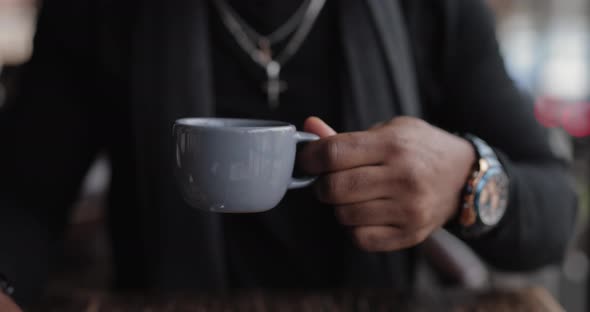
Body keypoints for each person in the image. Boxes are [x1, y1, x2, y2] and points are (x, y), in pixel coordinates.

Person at [0, 0, 578, 310]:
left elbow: (556, 213)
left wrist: (466, 180)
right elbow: (24, 194)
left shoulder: (432, 10)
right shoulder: (97, 10)